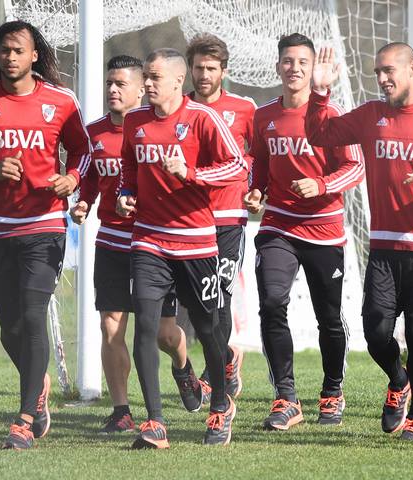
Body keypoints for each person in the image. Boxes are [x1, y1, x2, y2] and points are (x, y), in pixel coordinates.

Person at [0, 20, 91, 450]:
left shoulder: (61, 100)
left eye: (17, 50)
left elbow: (83, 152)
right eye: (3, 50)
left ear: (33, 56)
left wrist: (72, 179)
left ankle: (25, 419)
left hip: (44, 225)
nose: (9, 57)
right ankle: (37, 384)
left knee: (32, 315)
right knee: (9, 329)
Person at [307, 43, 413, 442]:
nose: (382, 79)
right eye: (377, 71)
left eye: (389, 70)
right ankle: (399, 380)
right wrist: (320, 93)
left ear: (412, 69)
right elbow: (321, 133)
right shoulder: (371, 114)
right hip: (383, 244)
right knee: (376, 331)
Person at [116, 48, 247, 448]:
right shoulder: (135, 122)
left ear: (177, 81)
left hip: (195, 243)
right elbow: (129, 169)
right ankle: (154, 422)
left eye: (155, 78)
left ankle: (221, 405)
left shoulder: (201, 118)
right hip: (149, 240)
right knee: (147, 327)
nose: (149, 84)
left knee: (208, 328)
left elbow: (237, 166)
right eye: (146, 78)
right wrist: (126, 193)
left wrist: (189, 173)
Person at [69, 55, 200, 434]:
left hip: (155, 241)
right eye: (109, 83)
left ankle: (184, 368)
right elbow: (92, 177)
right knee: (111, 327)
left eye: (121, 84)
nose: (113, 89)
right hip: (111, 240)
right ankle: (122, 409)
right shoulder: (93, 133)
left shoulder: (155, 126)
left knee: (163, 334)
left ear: (141, 88)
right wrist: (83, 202)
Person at [244, 33, 364, 430]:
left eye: (302, 62)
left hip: (324, 229)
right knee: (273, 303)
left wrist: (323, 185)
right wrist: (256, 190)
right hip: (278, 223)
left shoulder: (332, 116)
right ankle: (286, 398)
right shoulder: (263, 116)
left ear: (313, 69)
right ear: (278, 66)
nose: (294, 68)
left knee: (328, 317)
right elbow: (259, 162)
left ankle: (332, 390)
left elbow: (356, 167)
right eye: (288, 61)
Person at [185, 33, 257, 399]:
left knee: (221, 296)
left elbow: (260, 156)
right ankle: (225, 355)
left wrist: (256, 188)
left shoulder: (244, 108)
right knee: (198, 301)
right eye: (198, 67)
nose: (203, 74)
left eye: (211, 68)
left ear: (223, 71)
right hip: (188, 218)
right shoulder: (180, 109)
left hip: (229, 216)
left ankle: (216, 372)